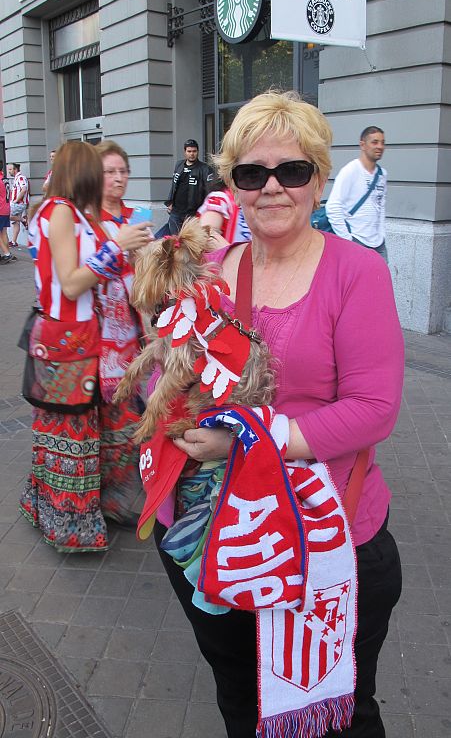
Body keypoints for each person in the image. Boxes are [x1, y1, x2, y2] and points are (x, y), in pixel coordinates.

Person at [153, 91, 404, 738]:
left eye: (290, 171)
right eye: (250, 173)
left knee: (335, 716)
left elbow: (374, 409)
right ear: (232, 184)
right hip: (210, 533)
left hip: (320, 539)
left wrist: (245, 439)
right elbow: (175, 365)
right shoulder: (214, 266)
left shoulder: (356, 274)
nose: (271, 187)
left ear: (319, 179)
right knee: (240, 698)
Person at [19, 142, 152, 551]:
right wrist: (116, 248)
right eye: (100, 170)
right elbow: (72, 281)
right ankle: (66, 525)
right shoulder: (60, 210)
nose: (109, 178)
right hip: (68, 341)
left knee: (73, 432)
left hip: (76, 340)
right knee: (69, 434)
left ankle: (71, 515)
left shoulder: (69, 211)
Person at [93, 139, 153, 524]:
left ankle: (131, 487)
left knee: (142, 414)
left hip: (141, 333)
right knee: (118, 421)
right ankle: (110, 501)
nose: (118, 178)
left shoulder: (139, 215)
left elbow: (152, 272)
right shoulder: (87, 220)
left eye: (123, 171)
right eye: (109, 172)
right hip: (103, 339)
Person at [325, 126, 388, 260]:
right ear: (363, 145)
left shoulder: (382, 174)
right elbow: (333, 206)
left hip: (378, 243)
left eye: (383, 142)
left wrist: (382, 234)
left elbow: (380, 206)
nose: (380, 146)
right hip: (357, 239)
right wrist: (348, 240)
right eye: (375, 142)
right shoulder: (350, 171)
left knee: (381, 279)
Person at [155, 139, 213, 237]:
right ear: (185, 152)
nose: (192, 154)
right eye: (189, 151)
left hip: (192, 214)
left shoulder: (205, 169)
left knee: (189, 242)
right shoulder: (179, 165)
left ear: (198, 151)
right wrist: (170, 202)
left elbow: (209, 192)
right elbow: (174, 184)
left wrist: (205, 212)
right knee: (174, 241)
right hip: (176, 212)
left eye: (194, 151)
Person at [198, 177, 251, 248]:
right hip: (227, 257)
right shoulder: (221, 198)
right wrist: (236, 255)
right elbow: (206, 234)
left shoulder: (252, 202)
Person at [8, 162, 29, 248]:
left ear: (15, 170)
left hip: (19, 204)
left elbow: (24, 189)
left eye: (10, 169)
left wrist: (15, 201)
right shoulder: (17, 178)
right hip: (18, 203)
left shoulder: (21, 178)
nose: (9, 171)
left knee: (6, 215)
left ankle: (23, 220)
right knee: (15, 223)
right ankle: (14, 241)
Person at [0, 161, 17, 264]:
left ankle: (7, 254)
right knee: (4, 233)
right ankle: (7, 254)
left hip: (0, 208)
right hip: (6, 208)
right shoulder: (5, 179)